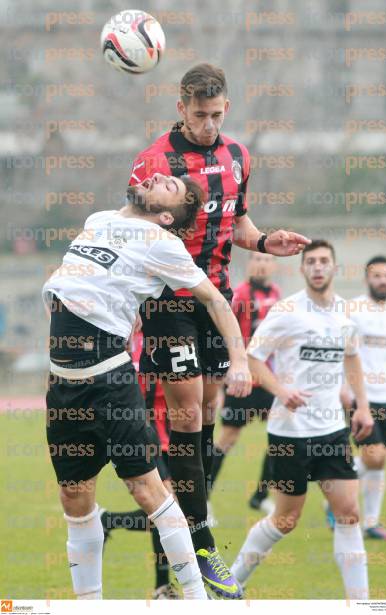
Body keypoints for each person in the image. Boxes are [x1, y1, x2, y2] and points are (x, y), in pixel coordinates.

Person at [128, 62, 309, 597]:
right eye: (197, 114)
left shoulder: (238, 156)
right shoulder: (153, 161)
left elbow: (240, 222)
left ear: (225, 108)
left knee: (205, 418)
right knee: (184, 412)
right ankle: (202, 540)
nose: (207, 124)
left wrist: (264, 240)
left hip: (215, 299)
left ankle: (179, 535)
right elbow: (130, 228)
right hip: (168, 300)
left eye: (215, 115)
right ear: (180, 109)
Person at [42, 173, 253, 600]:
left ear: (164, 215)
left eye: (170, 187)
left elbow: (214, 299)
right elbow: (80, 279)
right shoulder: (98, 218)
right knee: (73, 498)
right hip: (62, 381)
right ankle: (90, 606)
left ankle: (195, 599)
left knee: (147, 490)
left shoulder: (163, 243)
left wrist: (240, 360)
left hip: (107, 380)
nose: (157, 176)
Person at [230, 240, 374, 600]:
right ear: (302, 269)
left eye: (325, 261)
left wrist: (362, 406)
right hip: (290, 433)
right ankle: (232, 582)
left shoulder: (344, 312)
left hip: (333, 431)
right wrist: (280, 391)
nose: (318, 267)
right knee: (286, 520)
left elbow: (352, 357)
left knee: (349, 513)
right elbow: (254, 358)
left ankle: (361, 602)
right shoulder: (287, 310)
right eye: (311, 262)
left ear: (335, 268)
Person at [100, 331, 180, 599]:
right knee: (168, 509)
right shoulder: (121, 334)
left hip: (174, 433)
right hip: (141, 432)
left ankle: (106, 521)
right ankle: (163, 587)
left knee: (169, 514)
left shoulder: (174, 330)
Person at [208, 253, 281, 515]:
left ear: (273, 264)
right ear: (249, 263)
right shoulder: (239, 295)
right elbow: (222, 333)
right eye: (257, 259)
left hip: (268, 380)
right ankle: (203, 499)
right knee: (228, 437)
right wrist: (224, 374)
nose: (262, 264)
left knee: (281, 436)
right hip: (241, 378)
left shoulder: (277, 294)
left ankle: (260, 496)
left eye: (266, 259)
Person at [340, 255, 386, 540]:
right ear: (367, 279)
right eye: (377, 276)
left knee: (380, 460)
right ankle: (337, 488)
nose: (383, 280)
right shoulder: (353, 310)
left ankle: (372, 523)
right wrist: (342, 389)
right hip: (357, 398)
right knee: (374, 456)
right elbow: (340, 351)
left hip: (385, 398)